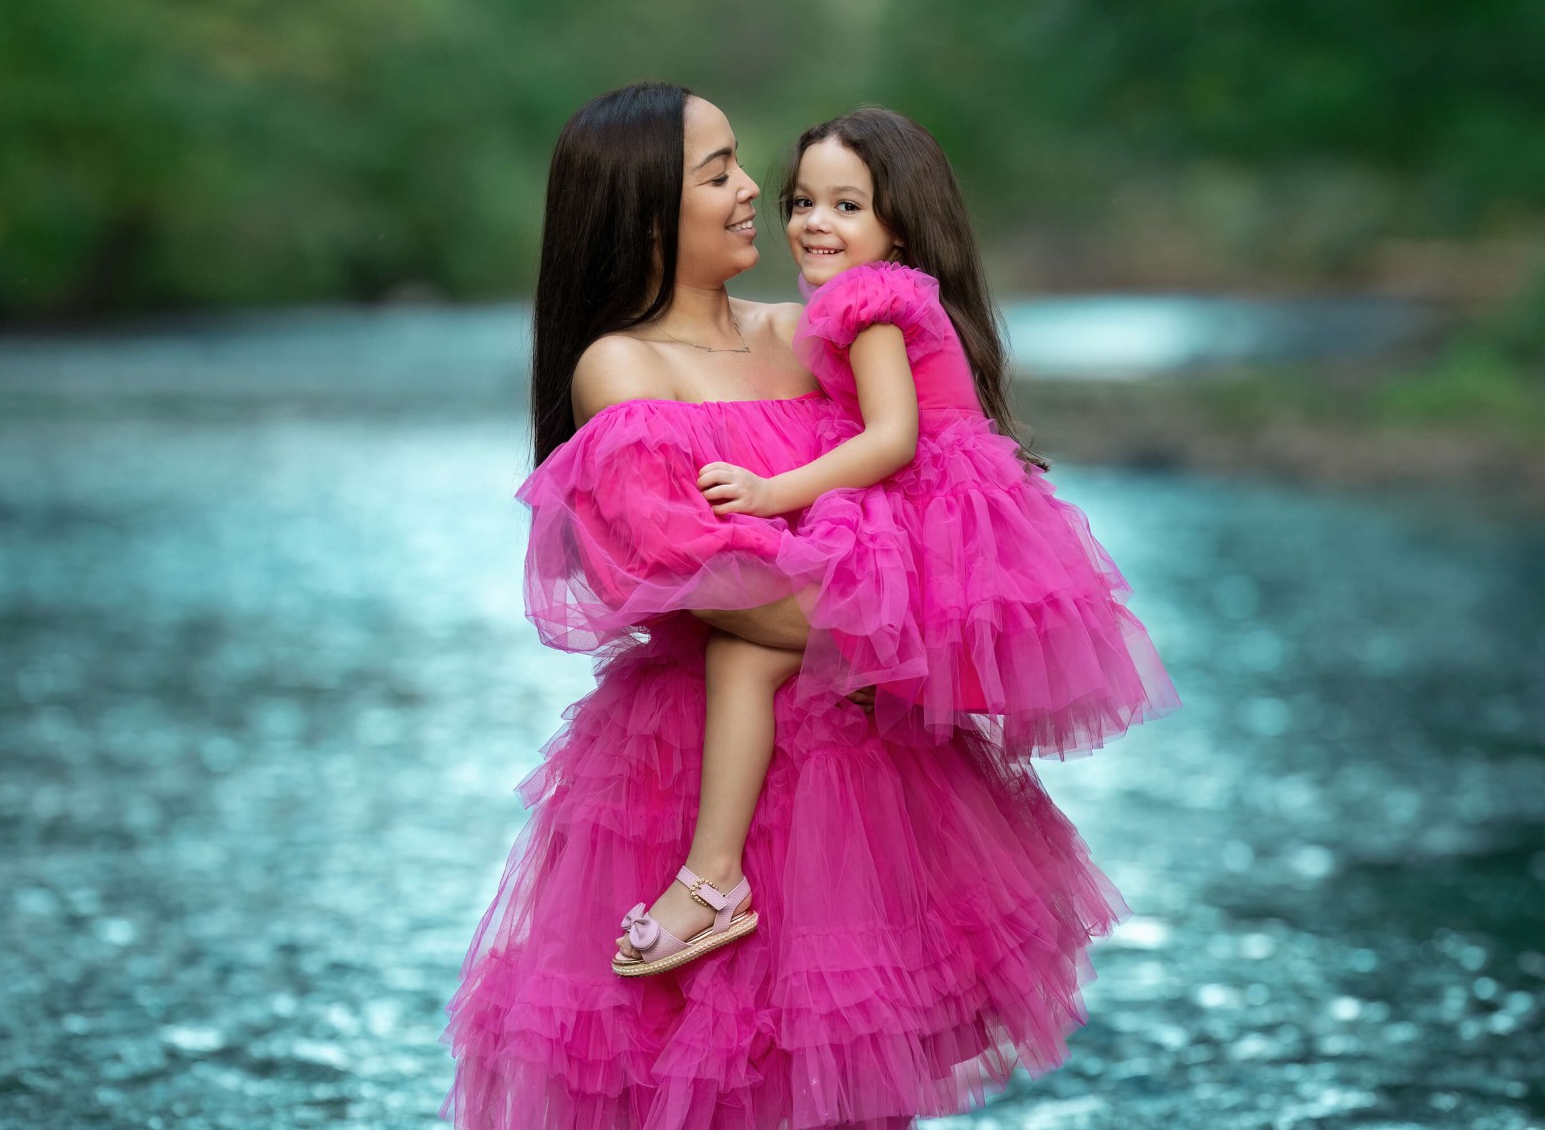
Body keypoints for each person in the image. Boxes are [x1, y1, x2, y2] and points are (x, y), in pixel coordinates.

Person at [440, 82, 1126, 1130]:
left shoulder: (810, 328)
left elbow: (909, 480)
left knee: (853, 1081)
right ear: (646, 209)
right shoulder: (622, 369)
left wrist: (935, 623)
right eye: (716, 171)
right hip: (703, 766)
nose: (754, 188)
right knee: (709, 1078)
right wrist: (906, 644)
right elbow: (696, 581)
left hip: (868, 771)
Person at [700, 107, 1181, 758]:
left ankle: (713, 862)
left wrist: (770, 492)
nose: (815, 222)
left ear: (898, 226)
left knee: (743, 660)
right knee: (762, 662)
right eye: (803, 202)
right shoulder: (896, 293)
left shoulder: (867, 302)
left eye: (847, 206)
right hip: (950, 530)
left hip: (919, 524)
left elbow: (892, 438)